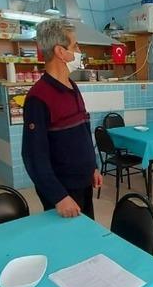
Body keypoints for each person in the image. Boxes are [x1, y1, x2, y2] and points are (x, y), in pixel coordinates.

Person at [21, 19, 102, 219]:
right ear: (60, 51)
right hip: (63, 192)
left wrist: (92, 167)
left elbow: (82, 133)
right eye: (75, 46)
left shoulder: (72, 86)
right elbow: (33, 156)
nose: (79, 51)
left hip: (83, 183)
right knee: (69, 246)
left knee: (87, 240)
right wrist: (59, 197)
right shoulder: (38, 97)